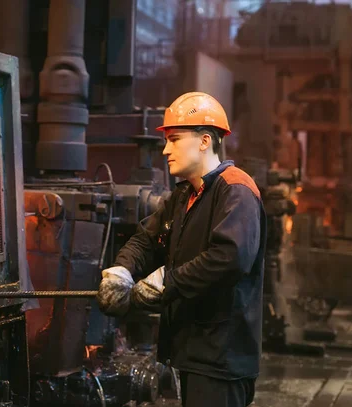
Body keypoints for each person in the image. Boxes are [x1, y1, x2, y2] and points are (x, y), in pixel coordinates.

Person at [97, 92, 266, 407]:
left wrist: (167, 283)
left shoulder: (235, 191)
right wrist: (122, 270)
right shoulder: (184, 197)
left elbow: (229, 259)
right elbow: (146, 240)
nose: (165, 149)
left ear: (204, 141)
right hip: (195, 352)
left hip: (221, 358)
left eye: (174, 139)